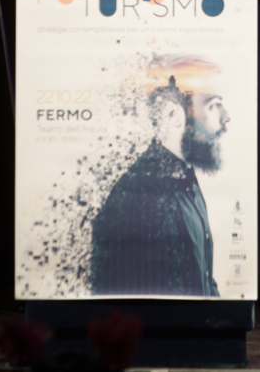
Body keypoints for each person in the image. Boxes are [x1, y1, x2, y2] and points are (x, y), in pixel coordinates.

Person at [90, 77, 221, 296]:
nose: (224, 118)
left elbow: (203, 276)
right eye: (212, 106)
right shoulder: (139, 189)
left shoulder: (188, 180)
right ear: (173, 114)